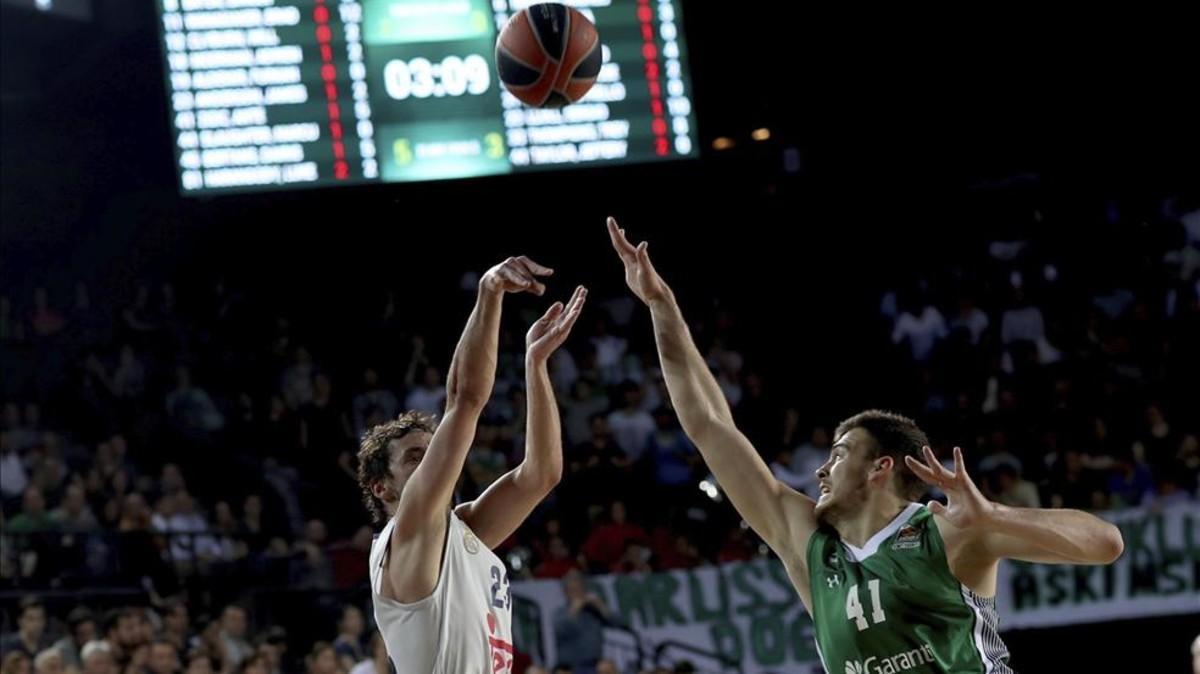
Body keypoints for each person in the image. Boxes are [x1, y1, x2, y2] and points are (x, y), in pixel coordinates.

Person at [606, 218, 1124, 673]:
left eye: (838, 453)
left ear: (880, 467)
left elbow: (1106, 544)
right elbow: (709, 424)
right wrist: (661, 305)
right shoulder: (807, 543)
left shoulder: (947, 534)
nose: (820, 471)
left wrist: (993, 517)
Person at [359, 256, 586, 674]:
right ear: (382, 488)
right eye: (414, 457)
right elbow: (464, 399)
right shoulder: (407, 532)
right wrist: (489, 292)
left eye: (433, 450)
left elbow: (541, 475)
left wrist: (535, 366)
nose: (432, 460)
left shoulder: (462, 531)